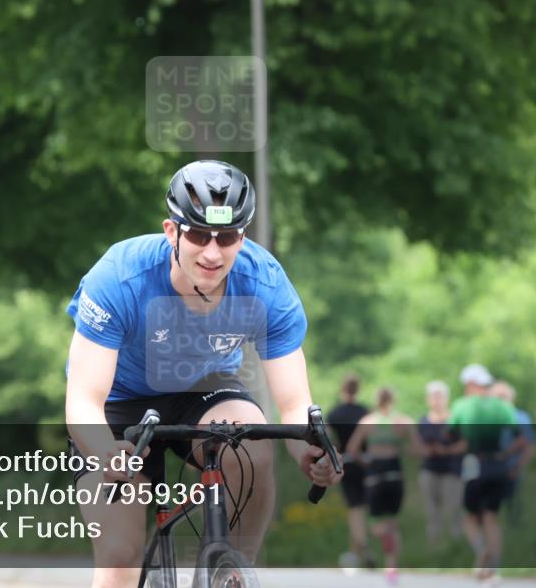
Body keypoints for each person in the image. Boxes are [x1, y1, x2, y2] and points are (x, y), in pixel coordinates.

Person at [64, 160, 343, 588]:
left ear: (242, 237)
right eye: (197, 234)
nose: (213, 253)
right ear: (171, 231)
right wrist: (105, 452)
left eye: (227, 237)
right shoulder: (119, 277)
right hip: (119, 402)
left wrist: (307, 449)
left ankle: (230, 572)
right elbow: (84, 399)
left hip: (203, 389)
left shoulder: (265, 284)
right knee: (119, 558)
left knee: (253, 449)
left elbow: (293, 403)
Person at [445, 364, 526, 584]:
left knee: (469, 516)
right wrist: (505, 454)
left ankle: (482, 551)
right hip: (499, 465)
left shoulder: (462, 405)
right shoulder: (502, 406)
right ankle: (494, 568)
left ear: (471, 384)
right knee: (492, 517)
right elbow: (521, 439)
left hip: (475, 464)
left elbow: (450, 434)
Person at [347, 388, 425, 585]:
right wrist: (401, 448)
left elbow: (352, 449)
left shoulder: (367, 421)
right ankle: (391, 568)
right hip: (395, 474)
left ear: (376, 400)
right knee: (392, 521)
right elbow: (419, 449)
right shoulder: (404, 421)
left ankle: (384, 538)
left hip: (375, 474)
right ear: (394, 400)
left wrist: (366, 461)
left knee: (375, 525)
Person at [327, 374, 374, 569]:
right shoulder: (366, 412)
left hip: (346, 462)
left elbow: (329, 441)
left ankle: (362, 545)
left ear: (342, 389)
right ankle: (356, 552)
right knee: (361, 508)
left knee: (354, 508)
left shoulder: (334, 414)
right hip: (366, 463)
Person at [417, 380, 463, 544]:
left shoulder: (454, 420)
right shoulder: (423, 421)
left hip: (451, 470)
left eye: (439, 396)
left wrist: (446, 450)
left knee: (454, 509)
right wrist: (427, 450)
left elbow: (464, 443)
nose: (436, 400)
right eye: (433, 396)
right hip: (429, 470)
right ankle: (434, 543)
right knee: (431, 510)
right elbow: (416, 445)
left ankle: (455, 543)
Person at [490, 380, 536, 524]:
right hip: (489, 470)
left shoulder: (520, 417)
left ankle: (513, 531)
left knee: (513, 506)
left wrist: (518, 467)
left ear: (511, 398)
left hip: (512, 468)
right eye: (496, 396)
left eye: (502, 396)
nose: (499, 400)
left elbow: (529, 446)